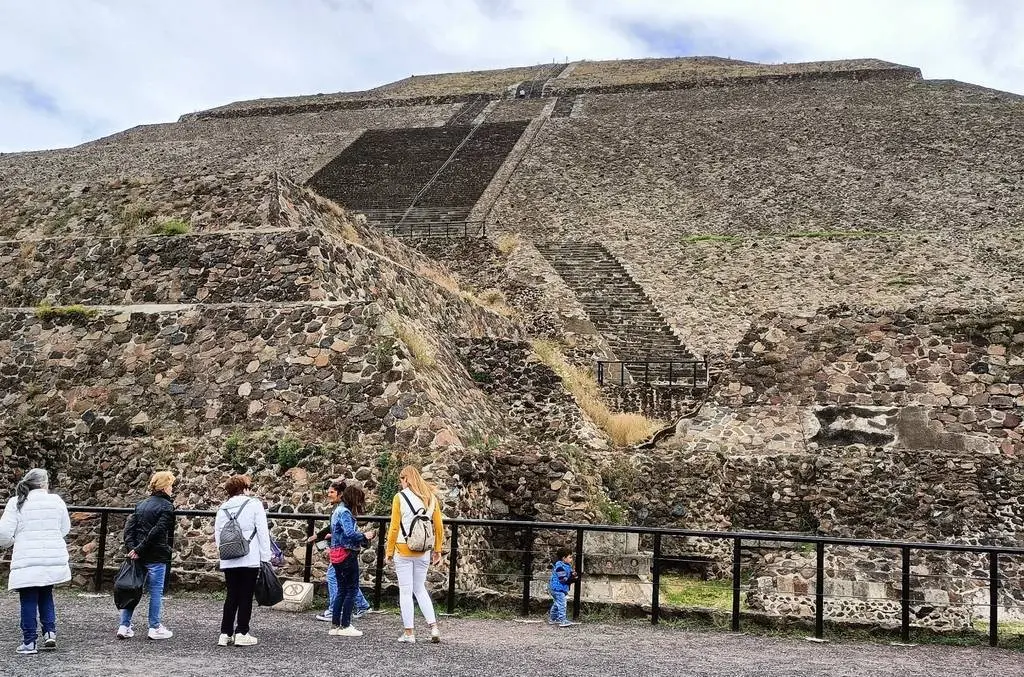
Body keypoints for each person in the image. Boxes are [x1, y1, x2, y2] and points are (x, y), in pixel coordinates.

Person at [0, 468, 71, 655]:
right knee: (46, 594)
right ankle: (50, 632)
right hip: (51, 556)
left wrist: (12, 542)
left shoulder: (16, 502)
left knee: (28, 598)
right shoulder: (56, 501)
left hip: (27, 557)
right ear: (44, 483)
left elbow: (3, 534)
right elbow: (65, 528)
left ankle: (29, 641)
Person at [385, 465, 444, 644]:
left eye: (401, 480)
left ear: (405, 479)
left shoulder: (399, 498)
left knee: (405, 592)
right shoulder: (430, 498)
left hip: (403, 548)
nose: (400, 484)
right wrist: (438, 550)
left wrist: (389, 551)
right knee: (420, 589)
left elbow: (394, 527)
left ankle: (409, 633)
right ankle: (433, 627)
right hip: (423, 550)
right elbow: (439, 526)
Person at [117, 470, 176, 641]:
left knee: (132, 589)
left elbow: (129, 529)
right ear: (165, 487)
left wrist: (133, 549)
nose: (172, 488)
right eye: (171, 485)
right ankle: (154, 626)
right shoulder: (167, 507)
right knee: (156, 592)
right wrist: (139, 549)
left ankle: (124, 625)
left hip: (138, 555)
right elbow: (157, 531)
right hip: (156, 555)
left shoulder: (141, 505)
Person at [214, 474, 271, 647]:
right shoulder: (254, 505)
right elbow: (262, 531)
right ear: (244, 488)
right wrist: (265, 557)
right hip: (249, 556)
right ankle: (242, 632)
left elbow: (218, 535)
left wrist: (223, 553)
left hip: (229, 557)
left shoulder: (222, 509)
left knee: (231, 595)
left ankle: (225, 633)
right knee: (246, 595)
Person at [307, 479, 372, 622]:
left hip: (342, 550)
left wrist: (322, 536)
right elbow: (342, 530)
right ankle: (349, 613)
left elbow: (342, 530)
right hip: (344, 550)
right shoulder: (342, 511)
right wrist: (364, 536)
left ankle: (337, 614)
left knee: (342, 583)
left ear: (341, 494)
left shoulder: (340, 511)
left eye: (331, 492)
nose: (329, 495)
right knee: (348, 584)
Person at [328, 483, 374, 637]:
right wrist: (364, 536)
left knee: (341, 590)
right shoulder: (345, 512)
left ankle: (335, 625)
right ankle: (346, 624)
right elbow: (349, 533)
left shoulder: (336, 511)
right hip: (347, 554)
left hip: (335, 553)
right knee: (352, 589)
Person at [548, 547, 579, 627]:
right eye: (570, 557)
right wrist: (572, 579)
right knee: (562, 604)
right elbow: (563, 579)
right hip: (557, 588)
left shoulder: (566, 565)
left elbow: (568, 573)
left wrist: (572, 574)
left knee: (557, 603)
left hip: (558, 588)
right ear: (564, 558)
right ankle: (562, 620)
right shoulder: (559, 567)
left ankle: (553, 618)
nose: (571, 559)